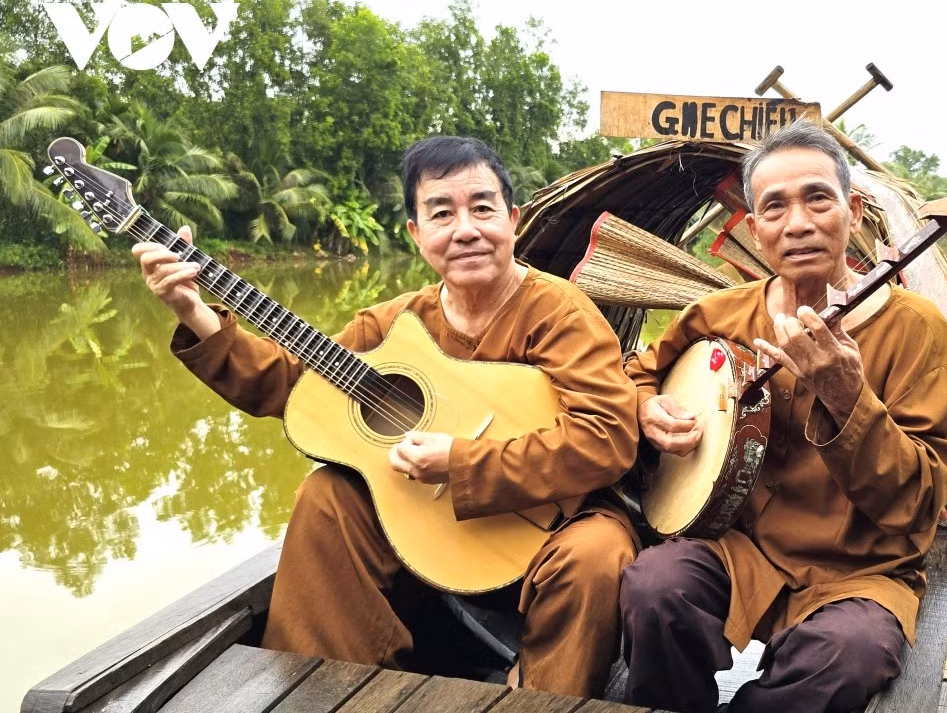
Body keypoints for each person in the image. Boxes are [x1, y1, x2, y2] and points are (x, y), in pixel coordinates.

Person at [132, 136, 640, 698]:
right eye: (441, 213)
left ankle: (541, 699)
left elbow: (607, 437)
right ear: (416, 234)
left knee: (597, 556)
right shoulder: (395, 324)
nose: (465, 229)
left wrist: (462, 460)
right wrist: (194, 310)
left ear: (513, 220)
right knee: (327, 496)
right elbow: (295, 387)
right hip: (428, 522)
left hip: (555, 521)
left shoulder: (561, 311)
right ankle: (333, 689)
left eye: (482, 207)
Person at [620, 119, 947, 713]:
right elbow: (637, 371)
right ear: (756, 230)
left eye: (818, 198)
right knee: (653, 587)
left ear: (853, 211)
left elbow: (921, 499)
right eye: (775, 207)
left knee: (850, 655)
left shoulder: (916, 330)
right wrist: (645, 408)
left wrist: (847, 398)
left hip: (861, 570)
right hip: (740, 547)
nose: (799, 223)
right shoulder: (720, 313)